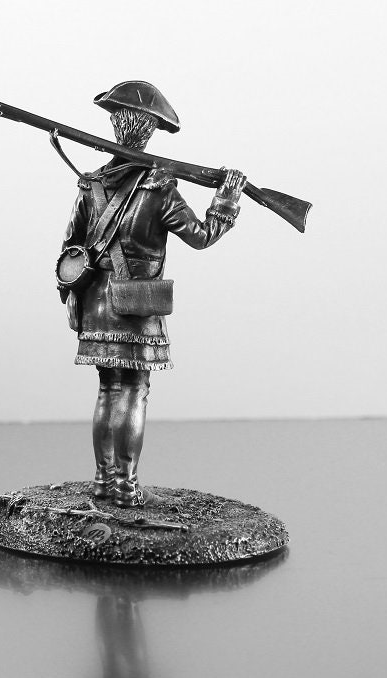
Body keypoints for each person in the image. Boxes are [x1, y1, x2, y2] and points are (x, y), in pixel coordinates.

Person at [59, 81, 247, 508]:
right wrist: (227, 199)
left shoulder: (91, 183)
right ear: (148, 131)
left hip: (95, 303)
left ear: (116, 124)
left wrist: (69, 295)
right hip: (136, 305)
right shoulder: (160, 188)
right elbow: (201, 236)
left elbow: (69, 249)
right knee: (133, 389)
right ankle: (125, 486)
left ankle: (104, 481)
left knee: (108, 390)